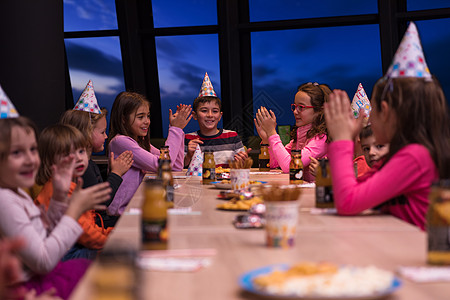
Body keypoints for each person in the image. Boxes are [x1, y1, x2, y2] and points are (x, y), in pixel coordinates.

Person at [324, 22, 450, 230]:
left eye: (373, 110)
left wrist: (342, 141)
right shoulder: (407, 153)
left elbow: (347, 201)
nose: (370, 119)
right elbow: (359, 188)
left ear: (386, 110)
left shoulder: (415, 157)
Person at [0, 116, 111, 299]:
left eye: (32, 149)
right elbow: (43, 262)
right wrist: (73, 211)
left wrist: (59, 198)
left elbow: (43, 235)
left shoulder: (16, 193)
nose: (29, 159)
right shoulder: (5, 201)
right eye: (17, 153)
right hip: (29, 286)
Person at [35, 124, 113, 261]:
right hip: (64, 255)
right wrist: (110, 241)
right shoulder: (57, 190)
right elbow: (84, 233)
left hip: (76, 246)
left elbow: (89, 225)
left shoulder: (74, 184)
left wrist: (112, 233)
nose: (78, 158)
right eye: (67, 155)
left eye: (81, 151)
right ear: (50, 161)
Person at [107, 91, 191, 216]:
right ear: (123, 119)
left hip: (137, 207)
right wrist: (175, 129)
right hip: (122, 213)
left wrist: (178, 130)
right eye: (140, 117)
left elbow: (175, 167)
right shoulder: (120, 142)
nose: (147, 121)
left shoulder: (139, 141)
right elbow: (162, 165)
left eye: (148, 116)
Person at [60, 108, 133, 228]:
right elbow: (100, 202)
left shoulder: (89, 163)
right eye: (102, 132)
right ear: (86, 133)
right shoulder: (83, 168)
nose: (106, 136)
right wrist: (116, 174)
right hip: (95, 225)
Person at [254, 82, 331, 182]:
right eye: (294, 106)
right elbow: (274, 164)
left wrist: (272, 133)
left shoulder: (321, 139)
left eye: (301, 107)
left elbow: (289, 167)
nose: (295, 111)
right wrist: (266, 140)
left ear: (319, 111)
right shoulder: (301, 135)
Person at [184, 73, 249, 168]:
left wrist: (243, 162)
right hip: (197, 182)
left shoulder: (232, 136)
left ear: (220, 116)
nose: (210, 115)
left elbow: (242, 166)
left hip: (226, 182)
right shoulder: (188, 139)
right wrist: (189, 155)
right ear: (195, 115)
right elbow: (178, 168)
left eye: (214, 111)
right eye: (204, 111)